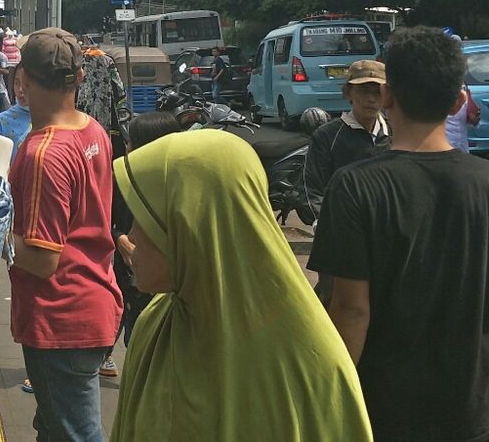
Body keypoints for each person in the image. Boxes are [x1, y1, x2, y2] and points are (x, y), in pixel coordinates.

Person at [112, 130, 373, 442]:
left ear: (193, 227)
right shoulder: (154, 326)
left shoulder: (310, 369)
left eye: (145, 219)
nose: (132, 235)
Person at [309, 26, 489, 442]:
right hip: (471, 407)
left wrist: (330, 400)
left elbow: (352, 311)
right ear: (460, 101)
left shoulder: (356, 187)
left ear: (388, 96)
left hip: (386, 408)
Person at [8, 27, 121, 442]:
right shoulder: (91, 130)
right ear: (79, 78)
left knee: (76, 434)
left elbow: (42, 258)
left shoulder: (44, 153)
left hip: (61, 317)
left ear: (23, 79)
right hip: (93, 299)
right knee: (55, 428)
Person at [100, 110, 182, 379]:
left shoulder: (179, 189)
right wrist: (119, 239)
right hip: (126, 276)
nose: (127, 148)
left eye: (131, 142)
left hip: (162, 289)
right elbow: (103, 220)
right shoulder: (121, 180)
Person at [302, 60, 391, 225]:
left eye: (377, 91)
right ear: (348, 92)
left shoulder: (395, 133)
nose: (371, 99)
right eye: (364, 90)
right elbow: (312, 189)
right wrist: (324, 224)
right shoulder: (327, 136)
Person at [0, 76, 31, 162]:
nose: (20, 89)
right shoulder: (1, 121)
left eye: (27, 84)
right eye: (17, 83)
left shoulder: (55, 119)